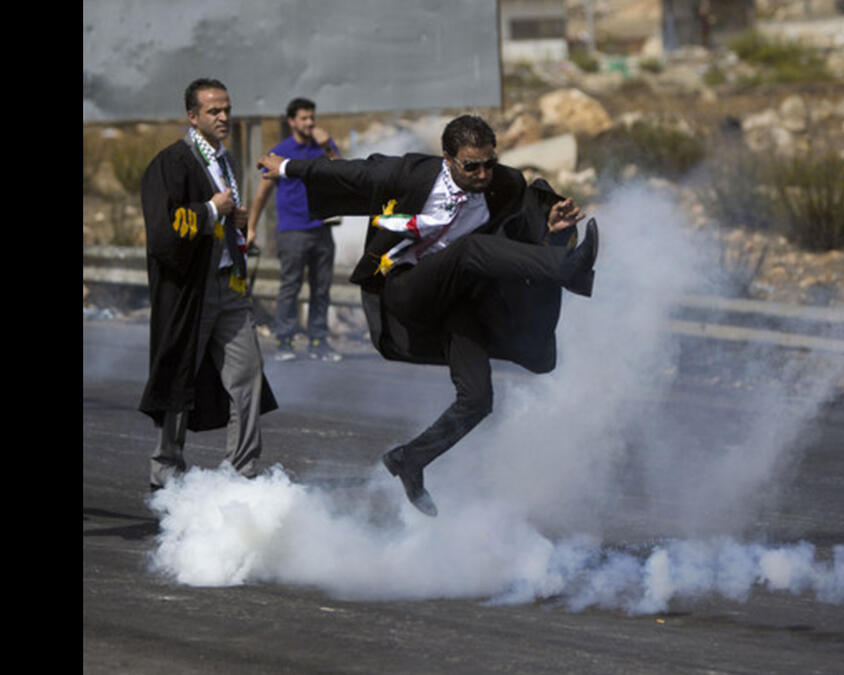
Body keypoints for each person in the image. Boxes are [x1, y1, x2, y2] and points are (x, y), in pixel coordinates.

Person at [257, 115, 597, 517]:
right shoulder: (412, 174)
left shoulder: (503, 184)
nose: (482, 174)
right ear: (448, 159)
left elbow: (522, 237)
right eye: (471, 166)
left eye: (489, 163)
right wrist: (288, 167)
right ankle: (568, 270)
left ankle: (411, 459)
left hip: (456, 298)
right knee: (468, 251)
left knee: (477, 399)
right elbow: (354, 173)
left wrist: (554, 233)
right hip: (406, 287)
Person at [139, 77, 279, 491]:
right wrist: (210, 210)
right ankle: (166, 473)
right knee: (179, 377)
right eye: (213, 111)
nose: (223, 117)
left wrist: (234, 219)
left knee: (248, 375)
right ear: (192, 116)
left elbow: (223, 216)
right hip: (191, 292)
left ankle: (242, 473)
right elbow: (162, 231)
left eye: (227, 110)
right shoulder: (172, 162)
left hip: (229, 287)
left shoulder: (226, 161)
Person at [247, 97, 344, 362]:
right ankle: (285, 340)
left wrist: (328, 146)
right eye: (304, 118)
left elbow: (342, 175)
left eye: (312, 117)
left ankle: (318, 341)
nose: (310, 123)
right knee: (290, 286)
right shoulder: (281, 151)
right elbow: (262, 193)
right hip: (293, 230)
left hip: (322, 228)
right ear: (292, 121)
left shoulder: (324, 146)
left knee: (321, 288)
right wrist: (251, 228)